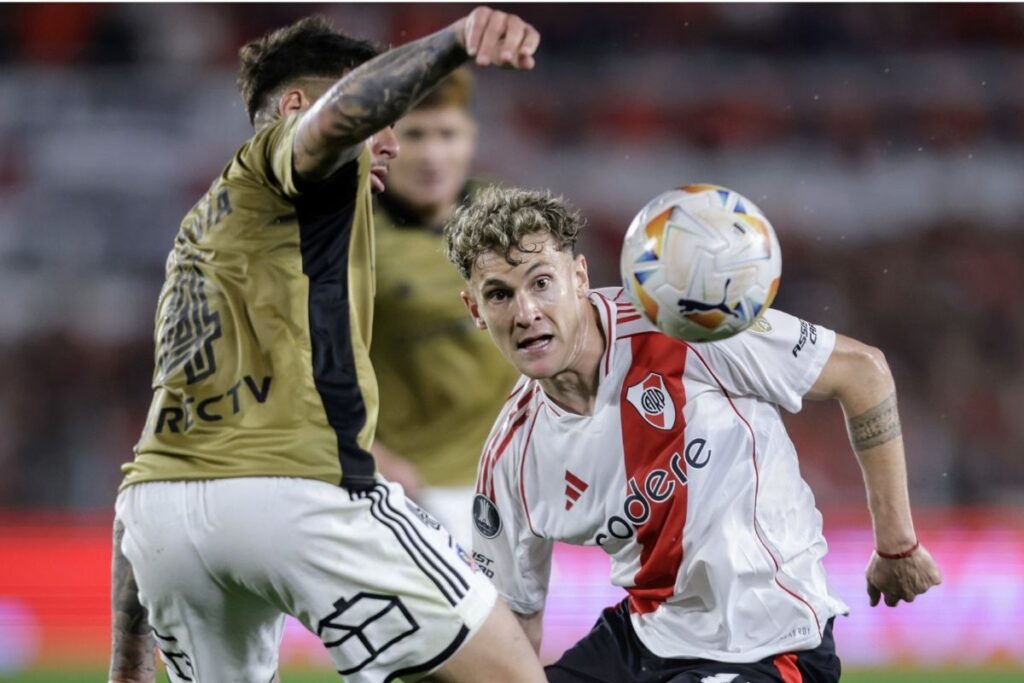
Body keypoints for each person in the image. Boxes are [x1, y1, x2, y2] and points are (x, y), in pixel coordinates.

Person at [109, 9, 548, 683]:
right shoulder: (283, 158)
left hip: (161, 521)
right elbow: (333, 120)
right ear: (293, 108)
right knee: (512, 671)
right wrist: (457, 41)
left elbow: (150, 460)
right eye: (384, 119)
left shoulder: (201, 233)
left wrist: (127, 664)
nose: (392, 145)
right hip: (299, 494)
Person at [442, 186, 943, 682]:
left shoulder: (687, 325)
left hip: (768, 640)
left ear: (579, 278)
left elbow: (864, 373)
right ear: (475, 312)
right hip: (644, 639)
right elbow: (517, 622)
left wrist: (896, 546)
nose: (526, 312)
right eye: (500, 295)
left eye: (541, 283)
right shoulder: (511, 456)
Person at [370, 66, 519, 546]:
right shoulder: (350, 236)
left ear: (470, 138)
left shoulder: (512, 216)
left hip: (511, 478)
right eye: (415, 134)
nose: (433, 154)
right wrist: (362, 452)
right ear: (383, 143)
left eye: (447, 134)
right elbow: (296, 358)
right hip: (410, 487)